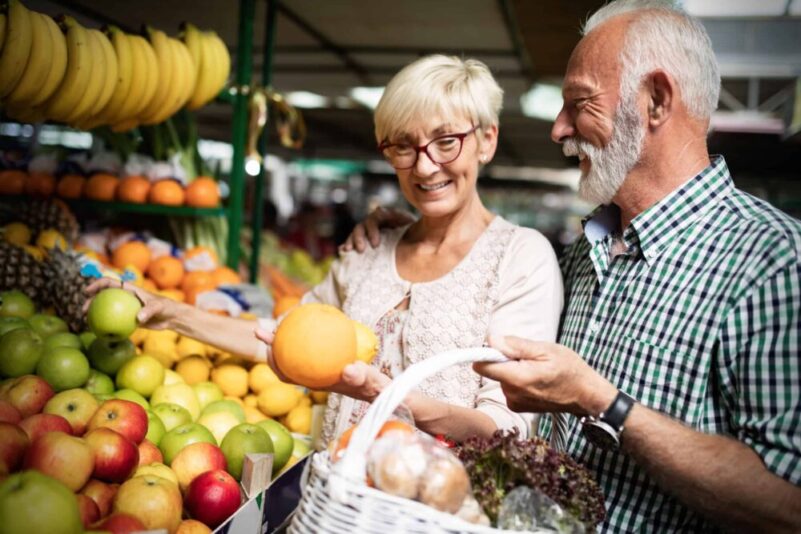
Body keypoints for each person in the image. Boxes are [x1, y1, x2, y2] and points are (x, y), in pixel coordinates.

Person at [344, 1, 801, 531]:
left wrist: (601, 402)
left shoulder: (771, 260)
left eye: (579, 104)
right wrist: (409, 228)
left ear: (655, 100)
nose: (559, 130)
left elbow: (788, 506)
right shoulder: (588, 249)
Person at [86, 55, 563, 446]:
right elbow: (277, 338)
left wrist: (391, 396)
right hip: (334, 505)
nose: (424, 165)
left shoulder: (520, 259)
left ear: (486, 140)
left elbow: (507, 428)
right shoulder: (369, 251)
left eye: (445, 141)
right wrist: (167, 313)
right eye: (404, 146)